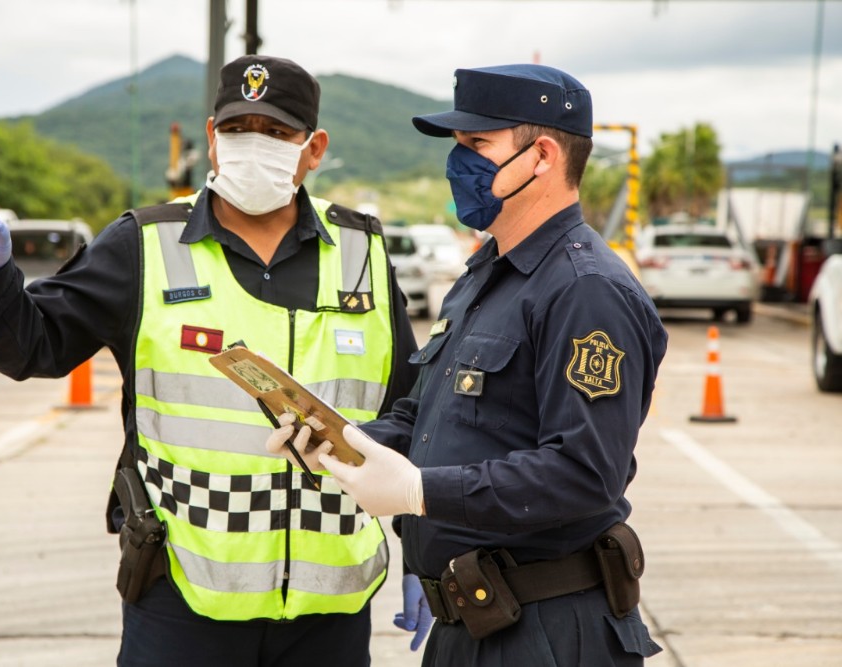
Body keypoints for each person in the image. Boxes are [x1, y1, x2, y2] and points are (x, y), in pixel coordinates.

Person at [0, 54, 420, 667]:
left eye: (276, 133)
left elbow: (414, 412)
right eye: (238, 130)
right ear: (213, 140)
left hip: (331, 612)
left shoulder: (362, 251)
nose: (253, 145)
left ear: (314, 147)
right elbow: (35, 343)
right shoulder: (143, 244)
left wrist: (426, 547)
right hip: (181, 602)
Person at [267, 63, 669, 665]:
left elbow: (585, 473)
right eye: (457, 146)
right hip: (474, 623)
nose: (459, 164)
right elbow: (428, 415)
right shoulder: (485, 276)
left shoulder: (585, 291)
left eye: (478, 145)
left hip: (548, 630)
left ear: (542, 156)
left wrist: (419, 492)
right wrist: (343, 442)